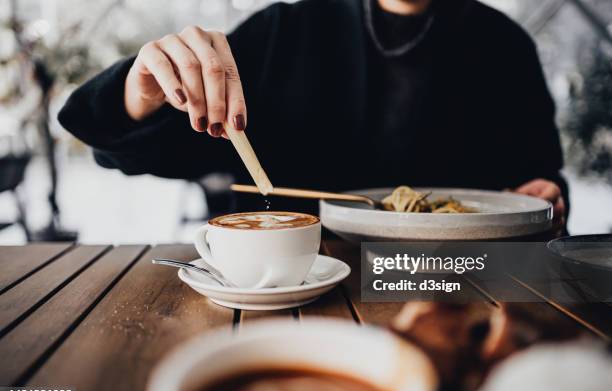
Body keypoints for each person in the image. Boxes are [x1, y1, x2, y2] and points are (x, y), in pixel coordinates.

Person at [58, 0, 568, 222]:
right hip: (291, 297)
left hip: (453, 290)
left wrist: (544, 195)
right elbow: (129, 148)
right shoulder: (282, 34)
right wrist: (142, 93)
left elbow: (540, 178)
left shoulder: (504, 47)